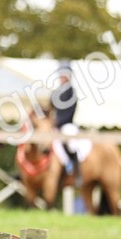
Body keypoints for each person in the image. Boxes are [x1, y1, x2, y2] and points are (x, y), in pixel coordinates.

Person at [49, 60, 80, 196]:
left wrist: (58, 122)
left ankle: (73, 166)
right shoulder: (56, 92)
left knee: (70, 143)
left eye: (64, 75)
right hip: (55, 125)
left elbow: (69, 112)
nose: (62, 77)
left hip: (66, 124)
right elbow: (51, 108)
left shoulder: (72, 93)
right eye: (60, 75)